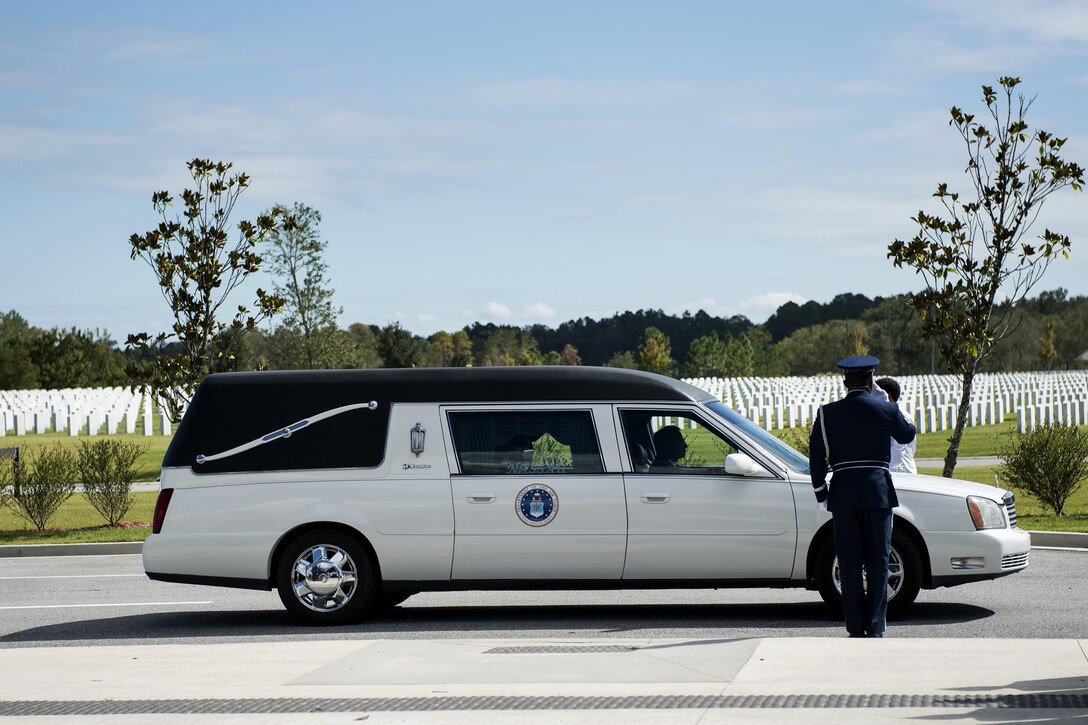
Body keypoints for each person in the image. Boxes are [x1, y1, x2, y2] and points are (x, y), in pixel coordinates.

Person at [809, 355, 916, 638]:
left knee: (849, 561)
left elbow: (817, 457)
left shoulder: (826, 413)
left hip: (843, 495)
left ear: (845, 382)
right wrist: (890, 404)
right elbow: (908, 434)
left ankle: (855, 626)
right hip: (877, 494)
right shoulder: (885, 410)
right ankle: (876, 624)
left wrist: (821, 492)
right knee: (879, 561)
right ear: (870, 382)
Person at [875, 377, 917, 474]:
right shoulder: (884, 415)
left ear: (888, 396)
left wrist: (886, 471)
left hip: (902, 471)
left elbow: (898, 449)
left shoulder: (902, 417)